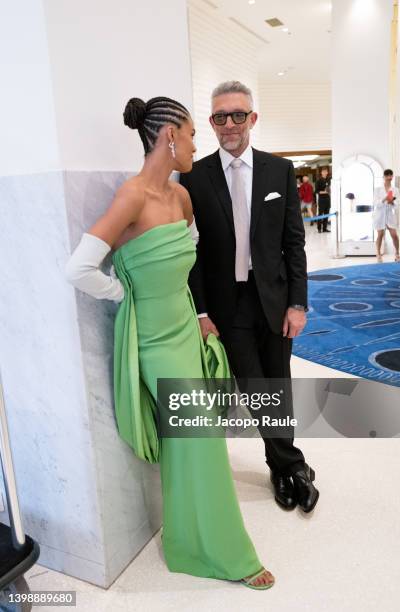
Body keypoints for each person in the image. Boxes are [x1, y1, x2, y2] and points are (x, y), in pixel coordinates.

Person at [65, 96, 274, 590]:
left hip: (185, 328)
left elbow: (189, 260)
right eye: (193, 133)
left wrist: (200, 315)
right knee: (200, 438)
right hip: (154, 342)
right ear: (169, 137)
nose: (197, 144)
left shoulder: (180, 199)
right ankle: (230, 555)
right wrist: (125, 294)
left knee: (191, 444)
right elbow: (76, 268)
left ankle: (185, 542)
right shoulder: (131, 197)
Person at [179, 81, 319, 513]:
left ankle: (281, 466)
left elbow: (294, 243)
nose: (230, 124)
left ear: (252, 119)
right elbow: (194, 254)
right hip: (228, 305)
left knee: (277, 383)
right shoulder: (194, 178)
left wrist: (298, 303)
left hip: (274, 299)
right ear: (211, 123)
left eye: (238, 115)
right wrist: (201, 311)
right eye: (220, 117)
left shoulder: (279, 170)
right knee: (255, 388)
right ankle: (292, 467)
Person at [373, 168, 400, 262]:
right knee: (380, 234)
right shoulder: (377, 189)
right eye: (387, 175)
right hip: (380, 215)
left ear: (392, 176)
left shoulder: (395, 189)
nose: (389, 177)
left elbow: (397, 205)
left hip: (390, 214)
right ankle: (378, 254)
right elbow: (376, 203)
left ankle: (397, 253)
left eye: (390, 175)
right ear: (383, 177)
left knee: (394, 235)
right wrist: (385, 198)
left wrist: (392, 202)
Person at [315, 168, 331, 233]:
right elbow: (317, 191)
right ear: (321, 173)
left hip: (328, 199)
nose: (324, 173)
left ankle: (325, 228)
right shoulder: (318, 180)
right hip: (321, 200)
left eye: (326, 171)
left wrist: (329, 191)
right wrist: (325, 192)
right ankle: (319, 228)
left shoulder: (329, 180)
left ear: (327, 172)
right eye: (323, 171)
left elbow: (330, 188)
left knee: (326, 214)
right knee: (320, 214)